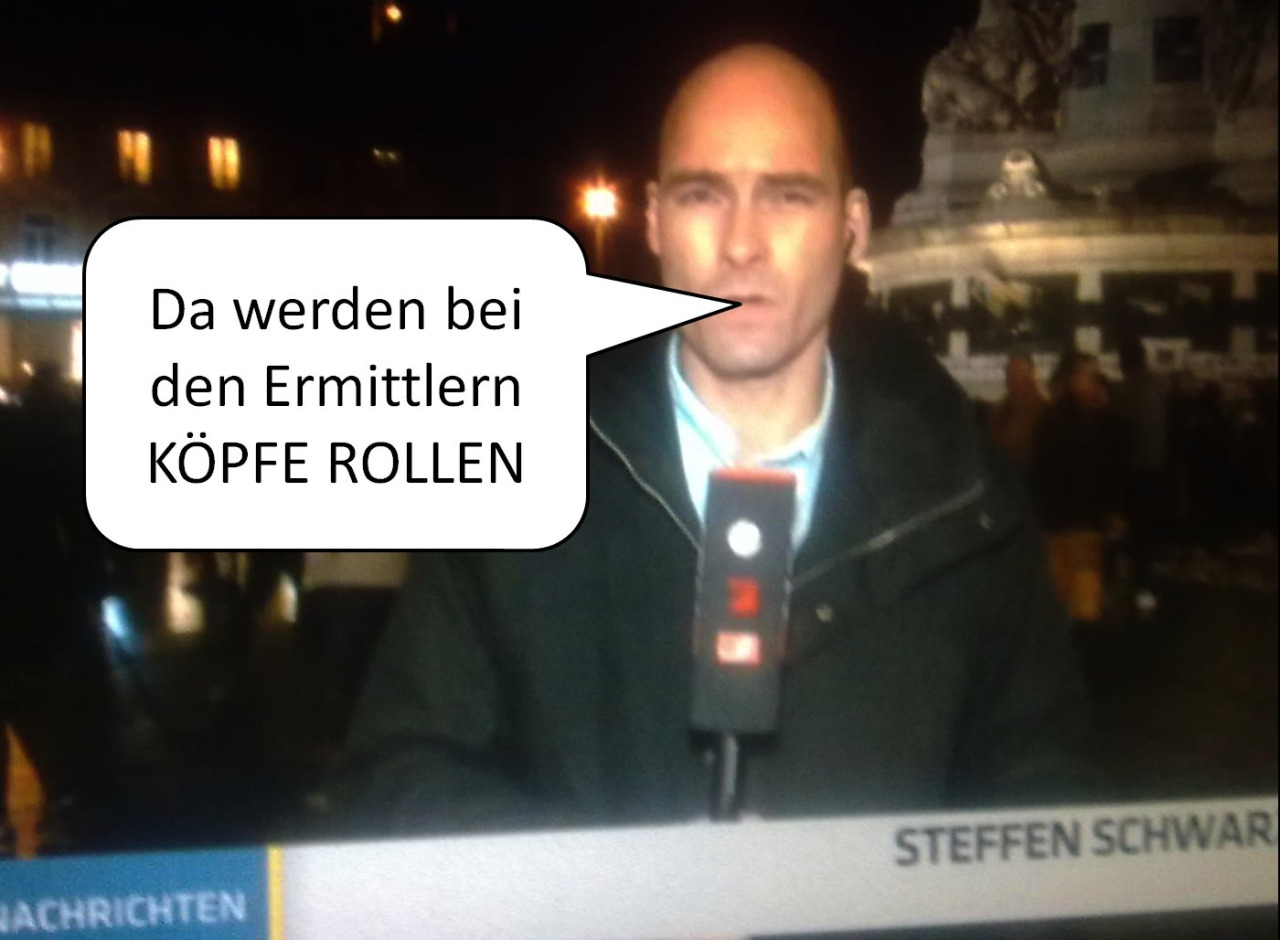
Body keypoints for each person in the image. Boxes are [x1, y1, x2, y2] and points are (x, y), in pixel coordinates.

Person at [339, 44, 1089, 836]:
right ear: (654, 221)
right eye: (703, 196)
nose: (742, 243)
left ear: (852, 228)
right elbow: (398, 778)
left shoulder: (969, 506)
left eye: (788, 197)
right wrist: (617, 890)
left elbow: (1048, 808)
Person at [1031, 351, 1125, 626]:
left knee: (1057, 597)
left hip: (1057, 521)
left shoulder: (1053, 419)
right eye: (1089, 375)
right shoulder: (1090, 420)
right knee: (1084, 601)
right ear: (1073, 379)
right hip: (1083, 522)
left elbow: (1041, 470)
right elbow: (1106, 467)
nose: (1094, 381)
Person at [989, 351, 1048, 469]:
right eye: (1010, 377)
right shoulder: (1000, 412)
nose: (1015, 382)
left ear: (1032, 377)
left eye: (1020, 375)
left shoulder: (1046, 412)